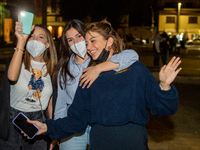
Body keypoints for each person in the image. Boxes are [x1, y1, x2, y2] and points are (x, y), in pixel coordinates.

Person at [24, 19, 182, 150]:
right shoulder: (88, 76)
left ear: (109, 41)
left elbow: (162, 109)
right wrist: (47, 127)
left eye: (93, 41)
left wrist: (164, 86)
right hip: (100, 142)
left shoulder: (136, 70)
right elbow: (76, 120)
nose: (88, 47)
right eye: (86, 43)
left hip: (133, 142)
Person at [51, 19, 139, 150]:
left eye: (79, 36)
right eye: (70, 40)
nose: (76, 43)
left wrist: (98, 69)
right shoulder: (64, 69)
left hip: (99, 123)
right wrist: (56, 132)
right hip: (74, 123)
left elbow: (132, 55)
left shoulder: (99, 59)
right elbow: (60, 106)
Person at [0, 16, 57, 150]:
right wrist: (21, 40)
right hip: (12, 121)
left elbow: (51, 103)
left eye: (41, 37)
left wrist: (53, 129)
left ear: (48, 44)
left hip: (38, 123)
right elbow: (12, 77)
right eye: (31, 36)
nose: (35, 40)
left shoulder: (53, 69)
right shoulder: (17, 60)